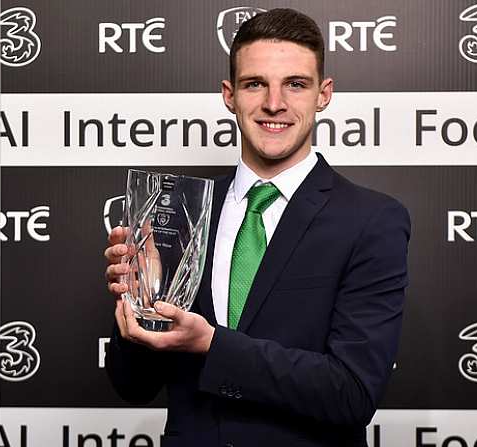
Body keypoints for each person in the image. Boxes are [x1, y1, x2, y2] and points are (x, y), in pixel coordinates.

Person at [104, 8, 410, 447]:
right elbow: (131, 386)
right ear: (229, 95)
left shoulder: (372, 220)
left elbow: (353, 394)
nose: (274, 103)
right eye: (255, 84)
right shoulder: (182, 215)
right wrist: (138, 302)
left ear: (324, 94)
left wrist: (211, 344)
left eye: (295, 84)